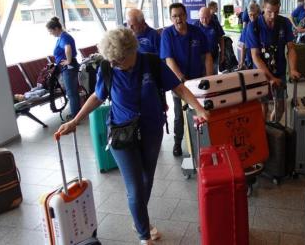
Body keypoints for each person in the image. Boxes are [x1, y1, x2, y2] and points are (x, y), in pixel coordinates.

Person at [54, 28, 208, 245]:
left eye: (118, 60)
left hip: (151, 130)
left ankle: (139, 219)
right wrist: (74, 120)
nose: (114, 64)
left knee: (147, 181)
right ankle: (144, 236)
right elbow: (97, 97)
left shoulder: (152, 63)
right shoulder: (108, 68)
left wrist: (200, 109)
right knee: (135, 187)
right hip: (121, 134)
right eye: (112, 61)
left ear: (131, 52)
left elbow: (179, 89)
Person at [160, 3, 213, 156]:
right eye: (174, 16)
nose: (178, 19)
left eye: (181, 15)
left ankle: (202, 142)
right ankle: (178, 142)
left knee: (199, 110)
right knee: (179, 114)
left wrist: (209, 79)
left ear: (186, 15)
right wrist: (182, 79)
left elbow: (207, 55)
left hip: (198, 82)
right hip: (178, 83)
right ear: (171, 18)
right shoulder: (167, 34)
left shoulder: (197, 32)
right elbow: (169, 60)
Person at [245, 0, 301, 120]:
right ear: (263, 7)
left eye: (276, 12)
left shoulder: (284, 22)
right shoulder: (253, 26)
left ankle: (273, 129)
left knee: (280, 107)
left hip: (279, 71)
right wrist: (270, 78)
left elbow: (291, 48)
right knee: (263, 108)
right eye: (269, 12)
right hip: (260, 74)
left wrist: (292, 69)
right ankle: (264, 135)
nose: (273, 16)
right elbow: (255, 56)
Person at [46, 17, 80, 120]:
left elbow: (68, 48)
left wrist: (68, 61)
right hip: (69, 67)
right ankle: (77, 113)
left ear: (56, 28)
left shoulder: (64, 37)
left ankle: (75, 116)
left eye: (50, 31)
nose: (50, 33)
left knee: (71, 92)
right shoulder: (62, 37)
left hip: (69, 68)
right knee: (73, 91)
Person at [193, 7, 225, 74]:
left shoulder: (215, 24)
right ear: (199, 17)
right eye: (202, 18)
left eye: (207, 17)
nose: (204, 20)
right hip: (200, 57)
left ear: (210, 16)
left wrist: (222, 54)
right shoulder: (195, 26)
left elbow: (221, 39)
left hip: (214, 55)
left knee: (213, 75)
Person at [238, 2, 261, 69]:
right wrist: (241, 62)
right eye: (250, 15)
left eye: (255, 15)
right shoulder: (247, 27)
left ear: (259, 13)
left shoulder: (262, 25)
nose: (253, 18)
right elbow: (243, 46)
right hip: (250, 59)